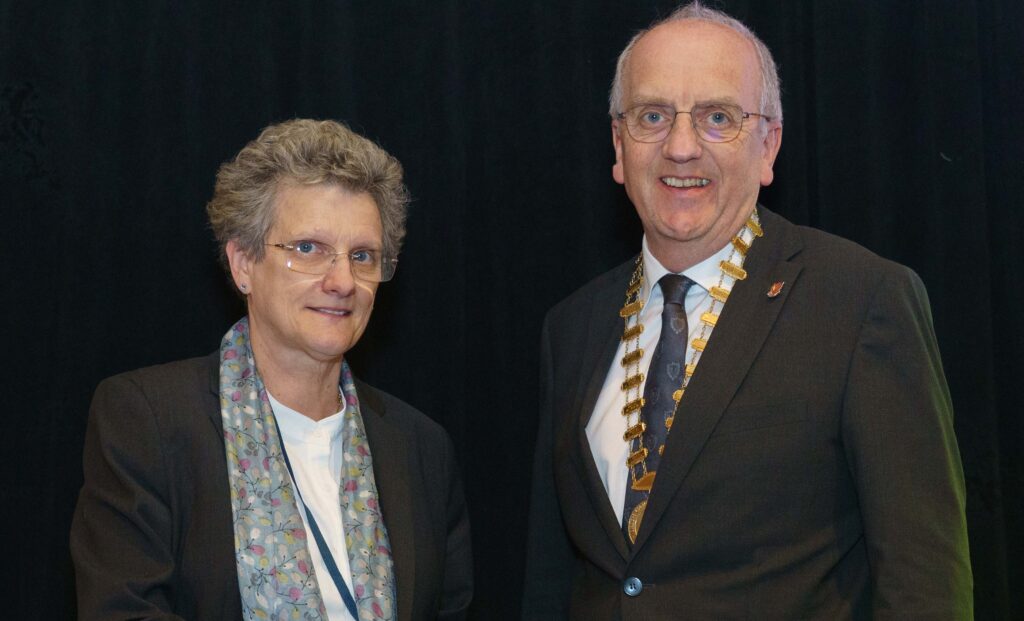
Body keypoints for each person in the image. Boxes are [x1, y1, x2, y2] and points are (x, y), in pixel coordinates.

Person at [522, 3, 972, 619]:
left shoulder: (861, 302)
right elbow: (552, 582)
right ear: (619, 146)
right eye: (653, 116)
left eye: (718, 118)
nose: (682, 147)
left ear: (768, 145)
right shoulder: (571, 328)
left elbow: (924, 586)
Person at [71, 119, 472, 621]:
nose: (342, 281)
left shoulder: (421, 447)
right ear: (243, 264)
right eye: (308, 249)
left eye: (362, 256)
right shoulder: (148, 421)